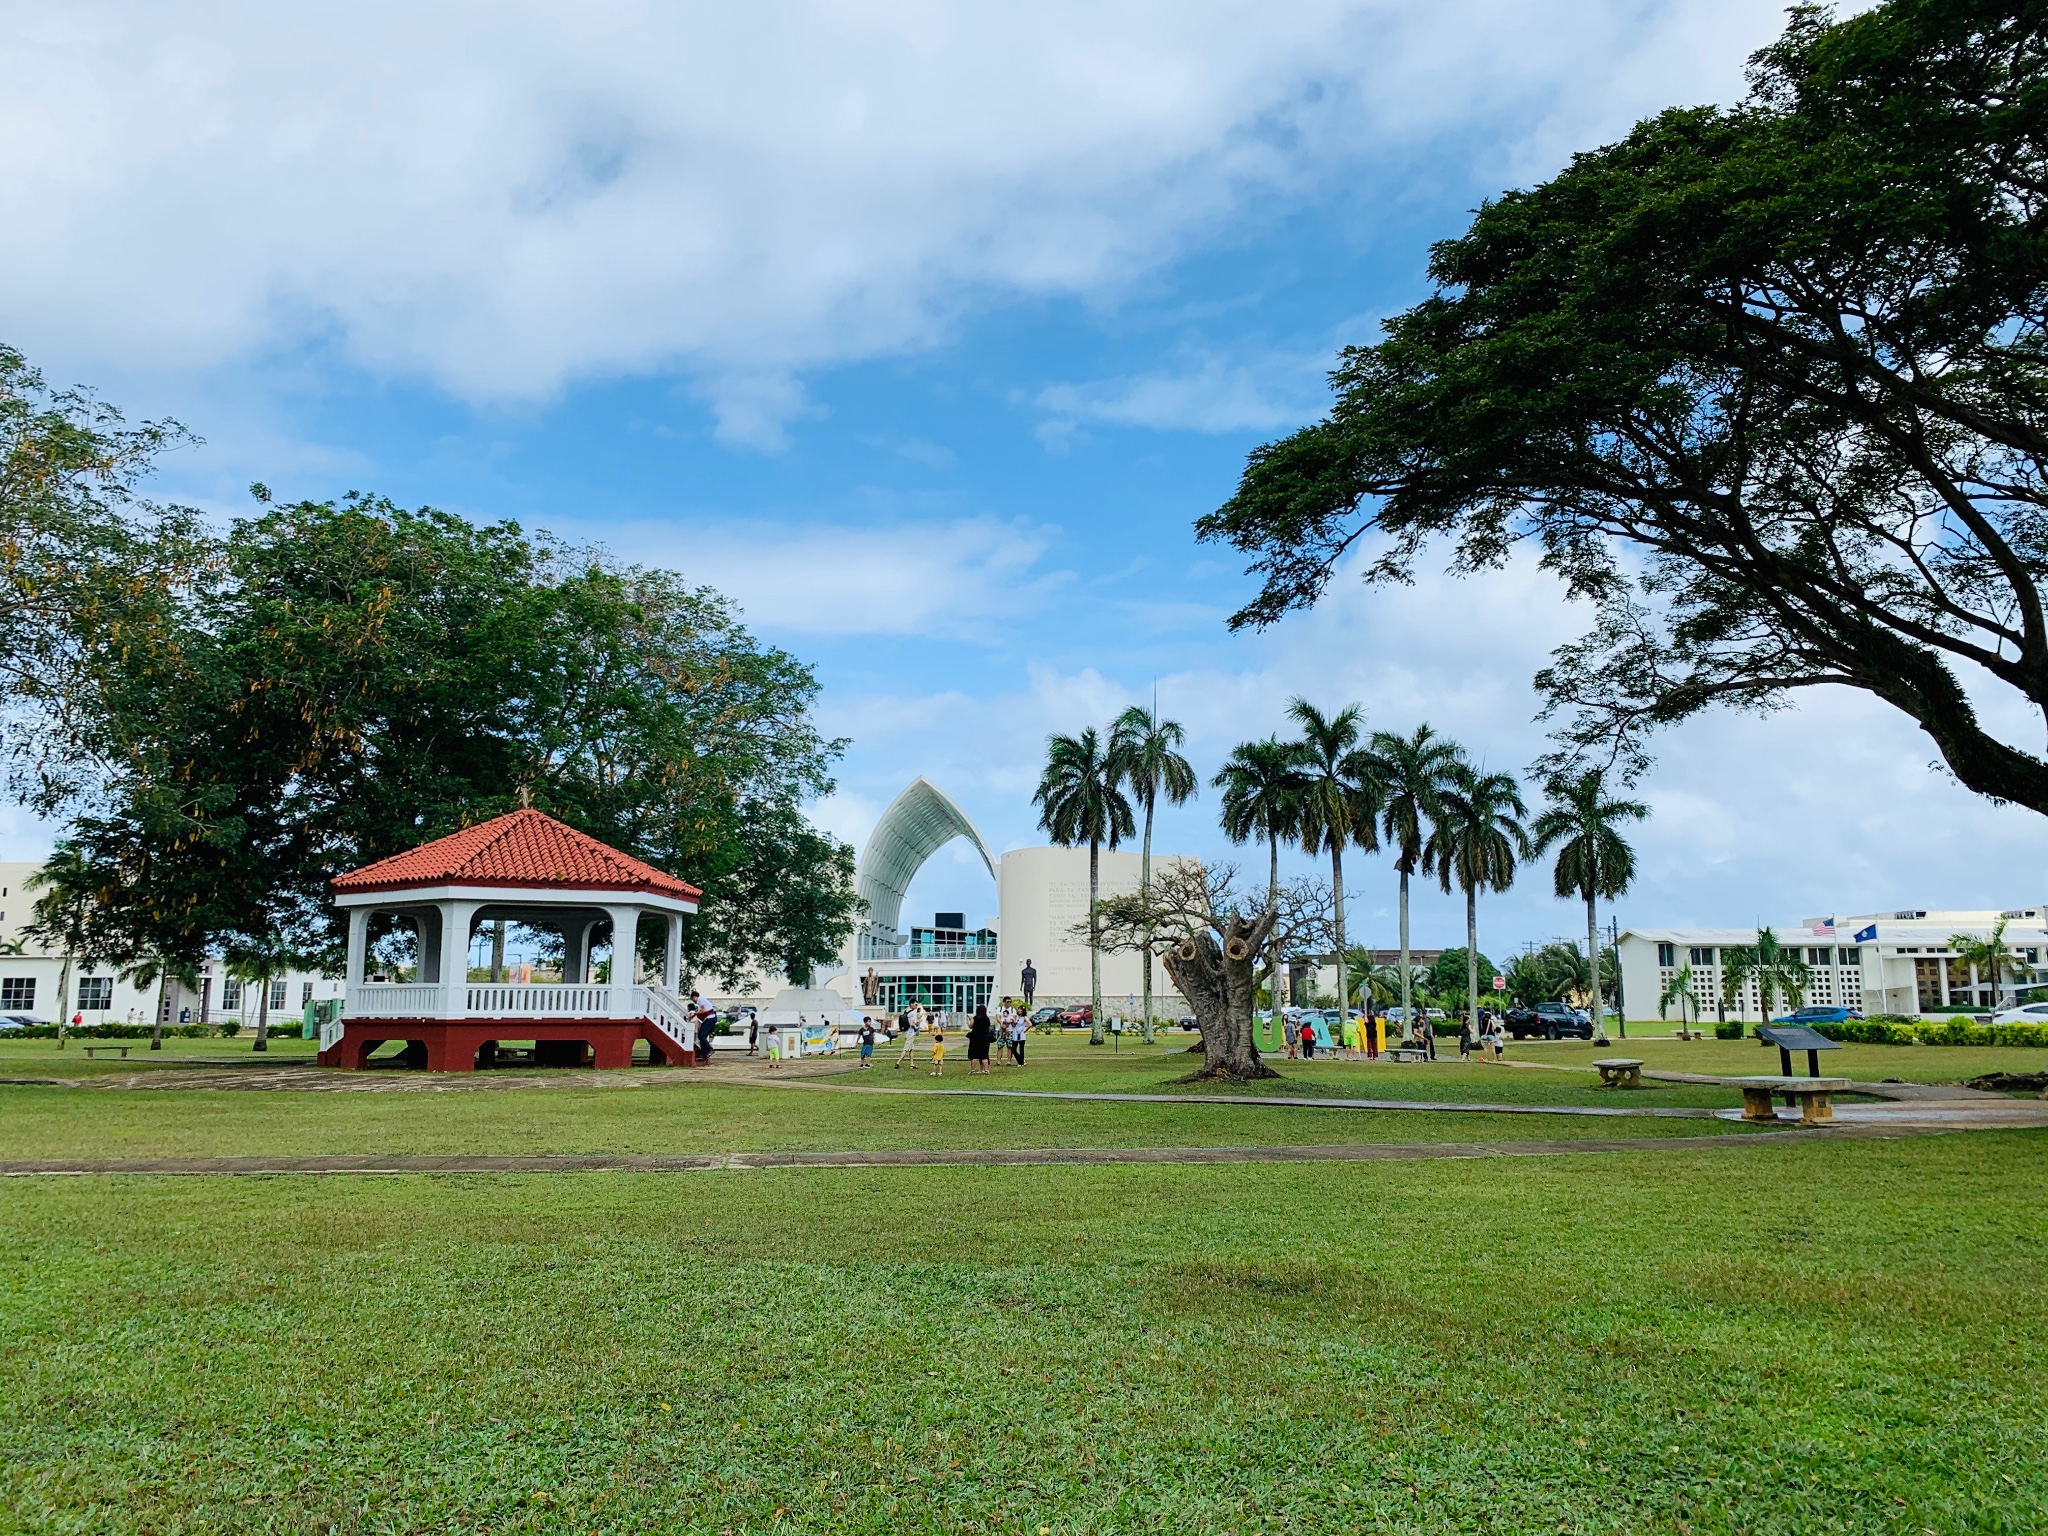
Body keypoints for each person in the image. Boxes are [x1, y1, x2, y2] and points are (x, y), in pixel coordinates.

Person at [967, 1004, 994, 1075]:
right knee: (984, 1055)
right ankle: (986, 1070)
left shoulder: (975, 1018)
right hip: (984, 1038)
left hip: (975, 1038)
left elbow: (970, 1026)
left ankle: (973, 1070)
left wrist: (968, 1020)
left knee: (974, 1055)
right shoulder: (987, 1019)